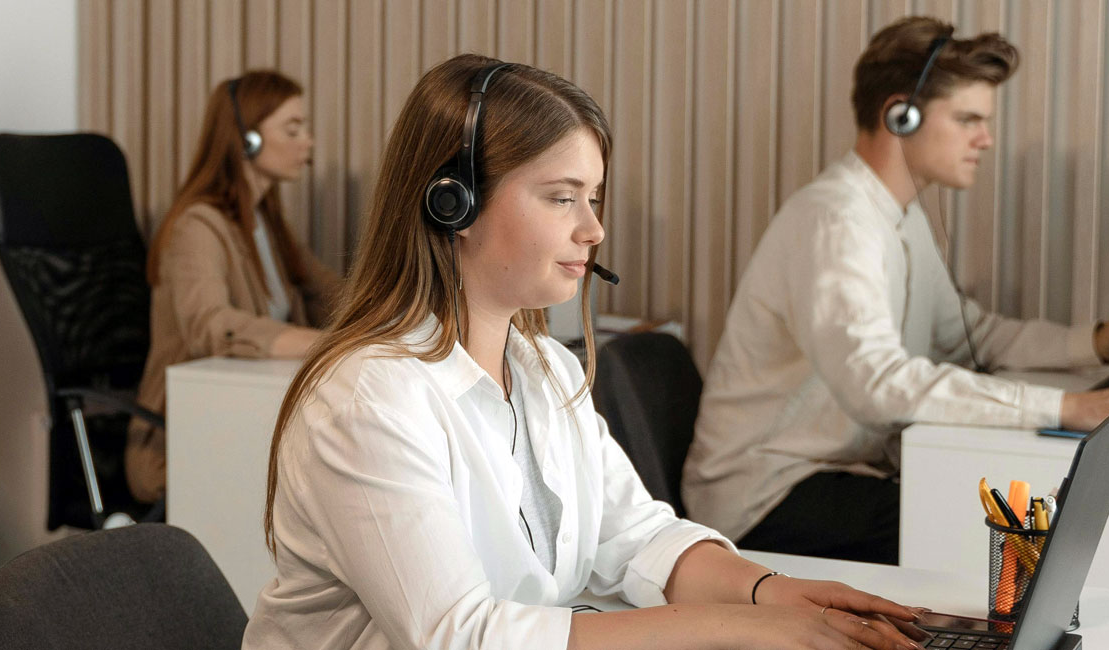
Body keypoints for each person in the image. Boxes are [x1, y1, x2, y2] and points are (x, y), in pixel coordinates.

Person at [245, 53, 926, 650]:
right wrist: (739, 628)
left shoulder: (544, 367)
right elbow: (459, 636)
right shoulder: (372, 398)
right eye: (562, 197)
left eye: (593, 198)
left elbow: (632, 535)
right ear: (452, 203)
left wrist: (772, 594)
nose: (593, 229)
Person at [685, 16, 1109, 564]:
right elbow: (875, 384)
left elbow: (970, 335)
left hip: (836, 474)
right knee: (992, 540)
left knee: (1011, 523)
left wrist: (1095, 345)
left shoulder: (899, 217)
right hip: (766, 496)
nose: (986, 139)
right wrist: (1068, 406)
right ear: (899, 116)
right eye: (968, 119)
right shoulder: (836, 221)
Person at [129, 70, 339, 504]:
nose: (309, 143)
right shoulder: (198, 226)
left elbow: (331, 292)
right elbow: (212, 325)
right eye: (293, 129)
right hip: (184, 438)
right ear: (248, 141)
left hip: (243, 420)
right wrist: (324, 343)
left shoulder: (267, 223)